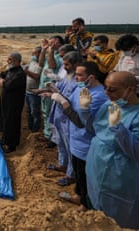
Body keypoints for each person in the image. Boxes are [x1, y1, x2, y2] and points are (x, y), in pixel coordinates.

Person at [79, 71, 139, 229]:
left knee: (119, 220)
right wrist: (84, 110)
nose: (107, 93)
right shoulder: (110, 105)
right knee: (97, 211)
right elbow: (94, 129)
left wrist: (118, 128)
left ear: (130, 89)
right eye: (106, 88)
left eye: (112, 89)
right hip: (97, 169)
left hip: (120, 178)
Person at [51, 62, 108, 211]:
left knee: (85, 176)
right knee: (79, 173)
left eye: (79, 74)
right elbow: (72, 102)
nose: (76, 77)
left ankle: (86, 205)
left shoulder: (98, 96)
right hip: (76, 140)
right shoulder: (81, 87)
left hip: (86, 144)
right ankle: (79, 196)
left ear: (91, 77)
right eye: (75, 74)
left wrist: (62, 101)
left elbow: (82, 122)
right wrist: (59, 96)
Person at [43, 51, 82, 187]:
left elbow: (72, 101)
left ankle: (71, 174)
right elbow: (59, 90)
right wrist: (50, 90)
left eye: (67, 64)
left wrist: (59, 97)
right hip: (59, 115)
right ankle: (62, 164)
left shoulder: (79, 80)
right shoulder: (68, 76)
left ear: (76, 64)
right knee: (60, 142)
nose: (64, 67)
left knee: (69, 146)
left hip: (68, 119)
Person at [0, 52, 27, 153]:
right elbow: (0, 75)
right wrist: (1, 79)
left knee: (12, 123)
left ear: (17, 61)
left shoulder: (20, 74)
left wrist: (3, 81)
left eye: (10, 60)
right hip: (6, 102)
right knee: (5, 121)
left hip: (14, 104)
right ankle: (5, 140)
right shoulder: (10, 70)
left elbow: (9, 85)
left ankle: (11, 146)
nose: (8, 61)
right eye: (8, 59)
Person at [38, 35, 64, 148]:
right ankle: (47, 134)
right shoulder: (49, 53)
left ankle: (52, 138)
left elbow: (52, 66)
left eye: (53, 41)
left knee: (50, 113)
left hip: (51, 88)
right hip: (43, 86)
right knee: (45, 112)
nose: (50, 42)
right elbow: (40, 64)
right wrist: (44, 50)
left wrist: (51, 51)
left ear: (59, 43)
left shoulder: (61, 56)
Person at [24, 46, 43, 133]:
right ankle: (30, 127)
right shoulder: (32, 63)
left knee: (35, 112)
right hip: (28, 92)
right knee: (29, 111)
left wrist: (26, 72)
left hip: (35, 93)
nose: (32, 55)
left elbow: (36, 76)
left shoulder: (41, 64)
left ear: (39, 54)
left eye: (34, 53)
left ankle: (36, 130)